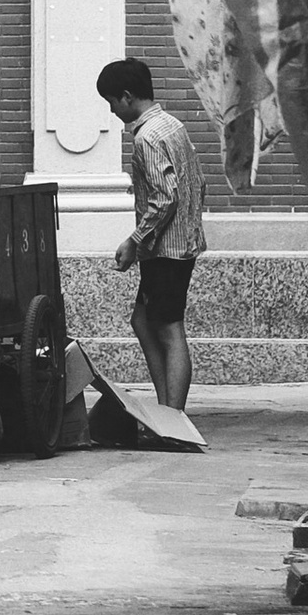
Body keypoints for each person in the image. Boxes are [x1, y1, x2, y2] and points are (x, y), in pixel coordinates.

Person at [98, 53, 206, 413]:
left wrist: (134, 241)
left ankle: (173, 418)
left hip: (166, 251)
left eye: (112, 102)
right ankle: (165, 412)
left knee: (169, 329)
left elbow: (164, 198)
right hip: (179, 244)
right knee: (143, 321)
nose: (112, 111)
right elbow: (196, 182)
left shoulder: (146, 138)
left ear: (127, 96)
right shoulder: (172, 125)